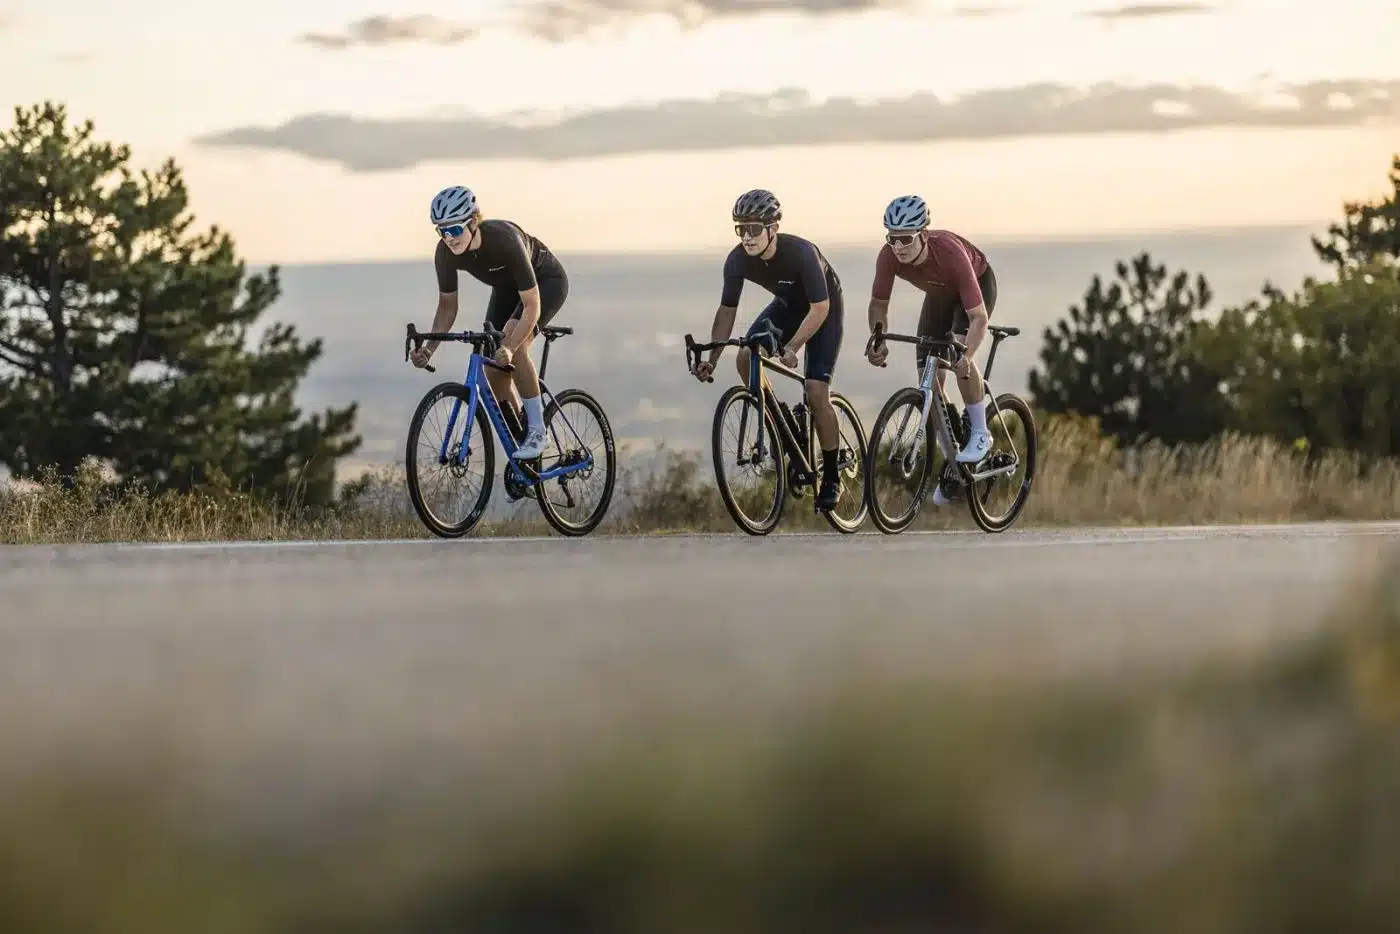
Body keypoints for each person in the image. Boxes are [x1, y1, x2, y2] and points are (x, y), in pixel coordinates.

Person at [689, 188, 846, 511]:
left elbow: (819, 309)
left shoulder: (802, 253)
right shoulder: (736, 260)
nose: (747, 237)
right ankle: (786, 427)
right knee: (746, 357)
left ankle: (831, 475)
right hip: (788, 307)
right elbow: (727, 311)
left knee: (816, 392)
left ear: (773, 228)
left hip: (823, 310)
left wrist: (793, 347)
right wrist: (713, 359)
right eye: (741, 229)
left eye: (754, 229)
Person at [409, 185, 568, 461]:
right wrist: (429, 349)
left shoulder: (504, 240)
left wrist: (510, 345)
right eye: (441, 231)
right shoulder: (445, 253)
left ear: (473, 222)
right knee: (493, 371)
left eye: (455, 229)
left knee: (513, 347)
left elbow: (531, 305)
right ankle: (525, 446)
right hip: (506, 290)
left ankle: (537, 431)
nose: (449, 238)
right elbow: (447, 307)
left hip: (545, 284)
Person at [865, 194, 999, 505]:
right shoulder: (888, 257)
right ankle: (953, 453)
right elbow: (878, 305)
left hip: (975, 286)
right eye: (892, 238)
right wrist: (878, 337)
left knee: (956, 355)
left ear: (924, 235)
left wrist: (967, 356)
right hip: (938, 297)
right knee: (928, 380)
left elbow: (978, 317)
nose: (898, 247)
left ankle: (980, 432)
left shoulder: (949, 253)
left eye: (906, 239)